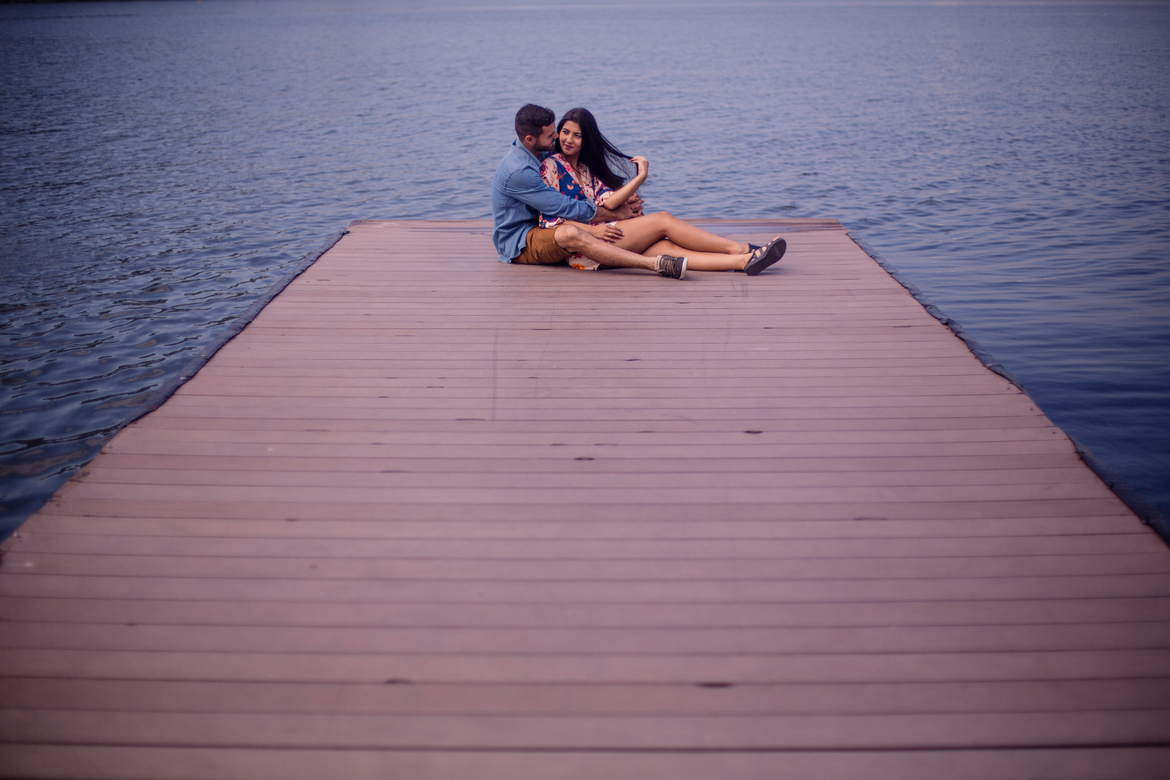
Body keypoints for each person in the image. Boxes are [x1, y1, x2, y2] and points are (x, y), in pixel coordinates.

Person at [538, 107, 786, 274]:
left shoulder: (586, 169)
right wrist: (641, 177)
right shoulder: (550, 166)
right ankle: (740, 247)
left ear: (587, 140)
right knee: (663, 220)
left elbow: (610, 202)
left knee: (669, 249)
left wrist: (633, 188)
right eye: (565, 132)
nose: (569, 139)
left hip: (608, 237)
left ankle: (743, 261)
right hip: (586, 247)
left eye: (577, 135)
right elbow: (550, 221)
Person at [492, 104, 688, 279]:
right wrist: (611, 216)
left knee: (662, 239)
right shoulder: (520, 171)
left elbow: (578, 178)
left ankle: (697, 256)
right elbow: (563, 207)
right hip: (520, 241)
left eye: (555, 132)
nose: (557, 137)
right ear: (529, 139)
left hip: (544, 224)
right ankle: (654, 265)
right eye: (551, 135)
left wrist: (622, 196)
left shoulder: (539, 150)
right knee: (569, 233)